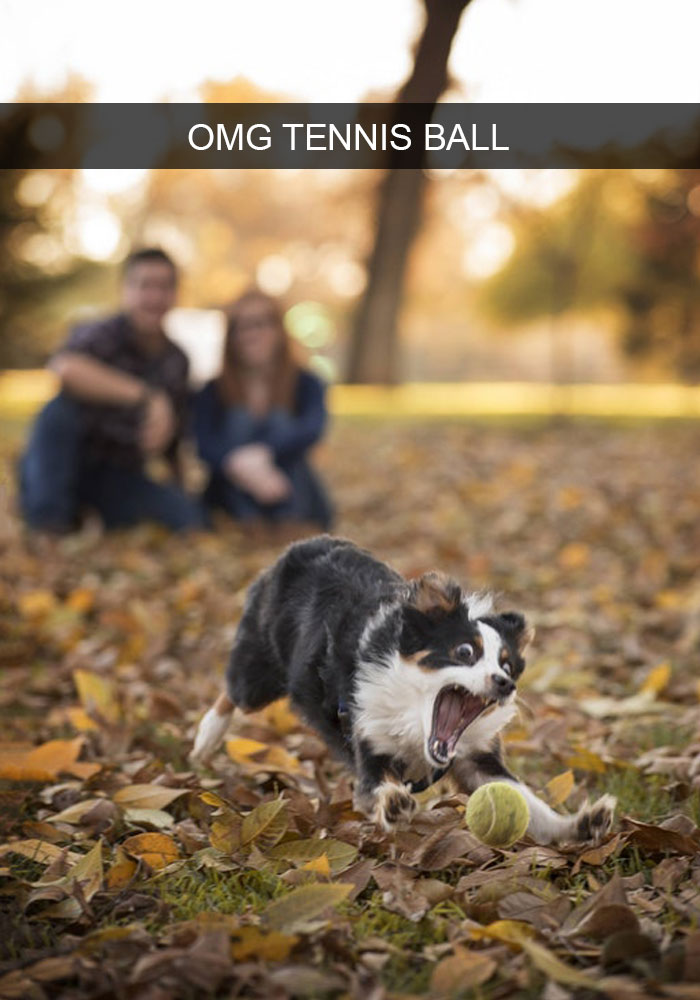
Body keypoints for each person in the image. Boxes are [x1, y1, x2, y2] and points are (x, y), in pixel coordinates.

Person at [19, 248, 205, 533]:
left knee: (186, 516)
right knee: (58, 412)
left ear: (176, 293)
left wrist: (180, 491)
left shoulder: (177, 360)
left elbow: (173, 440)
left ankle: (83, 516)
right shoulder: (101, 333)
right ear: (126, 290)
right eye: (145, 285)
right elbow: (65, 369)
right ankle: (48, 521)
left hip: (119, 473)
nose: (155, 297)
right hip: (68, 461)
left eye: (165, 286)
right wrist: (148, 396)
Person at [194, 289, 333, 529]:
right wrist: (238, 463)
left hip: (290, 487)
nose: (251, 334)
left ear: (279, 330)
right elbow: (203, 444)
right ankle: (248, 521)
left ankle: (289, 521)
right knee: (239, 419)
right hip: (231, 491)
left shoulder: (307, 382)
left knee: (280, 422)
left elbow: (312, 429)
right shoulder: (212, 390)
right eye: (241, 326)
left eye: (260, 324)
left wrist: (264, 453)